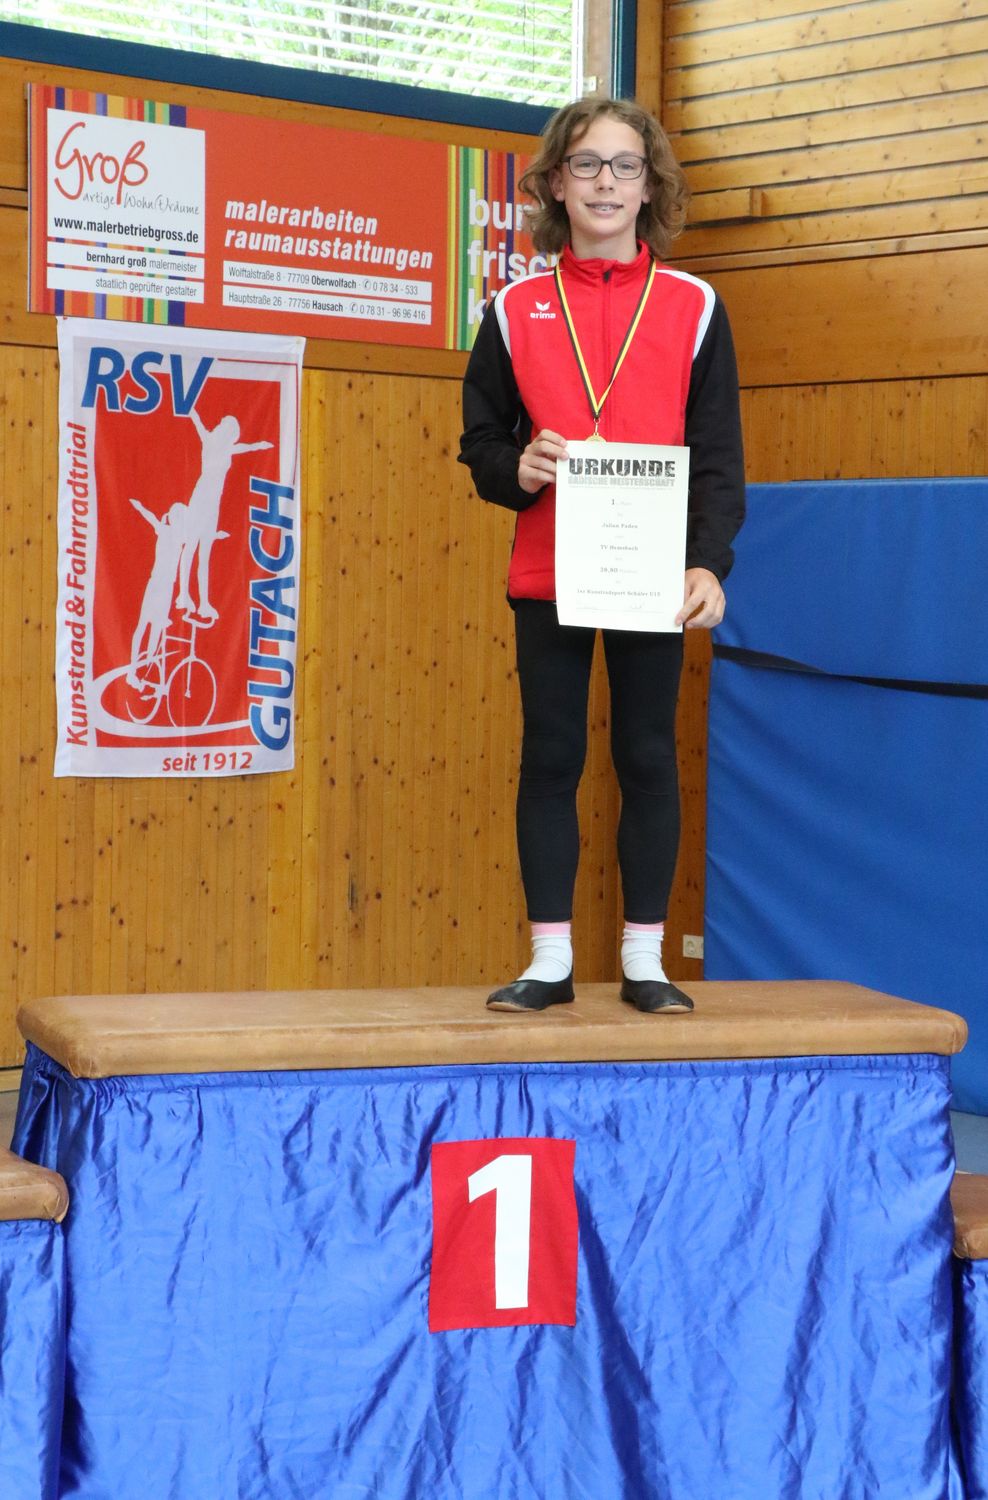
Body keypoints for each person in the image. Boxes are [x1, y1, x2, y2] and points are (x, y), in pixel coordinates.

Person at [458, 97, 745, 1015]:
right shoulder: (513, 308)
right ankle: (548, 962)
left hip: (651, 575)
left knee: (647, 757)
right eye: (586, 165)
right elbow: (480, 442)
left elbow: (718, 454)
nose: (606, 183)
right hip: (549, 572)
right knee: (551, 757)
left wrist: (707, 564)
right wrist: (517, 468)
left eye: (626, 166)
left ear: (651, 186)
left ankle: (644, 963)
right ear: (555, 184)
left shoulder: (695, 306)